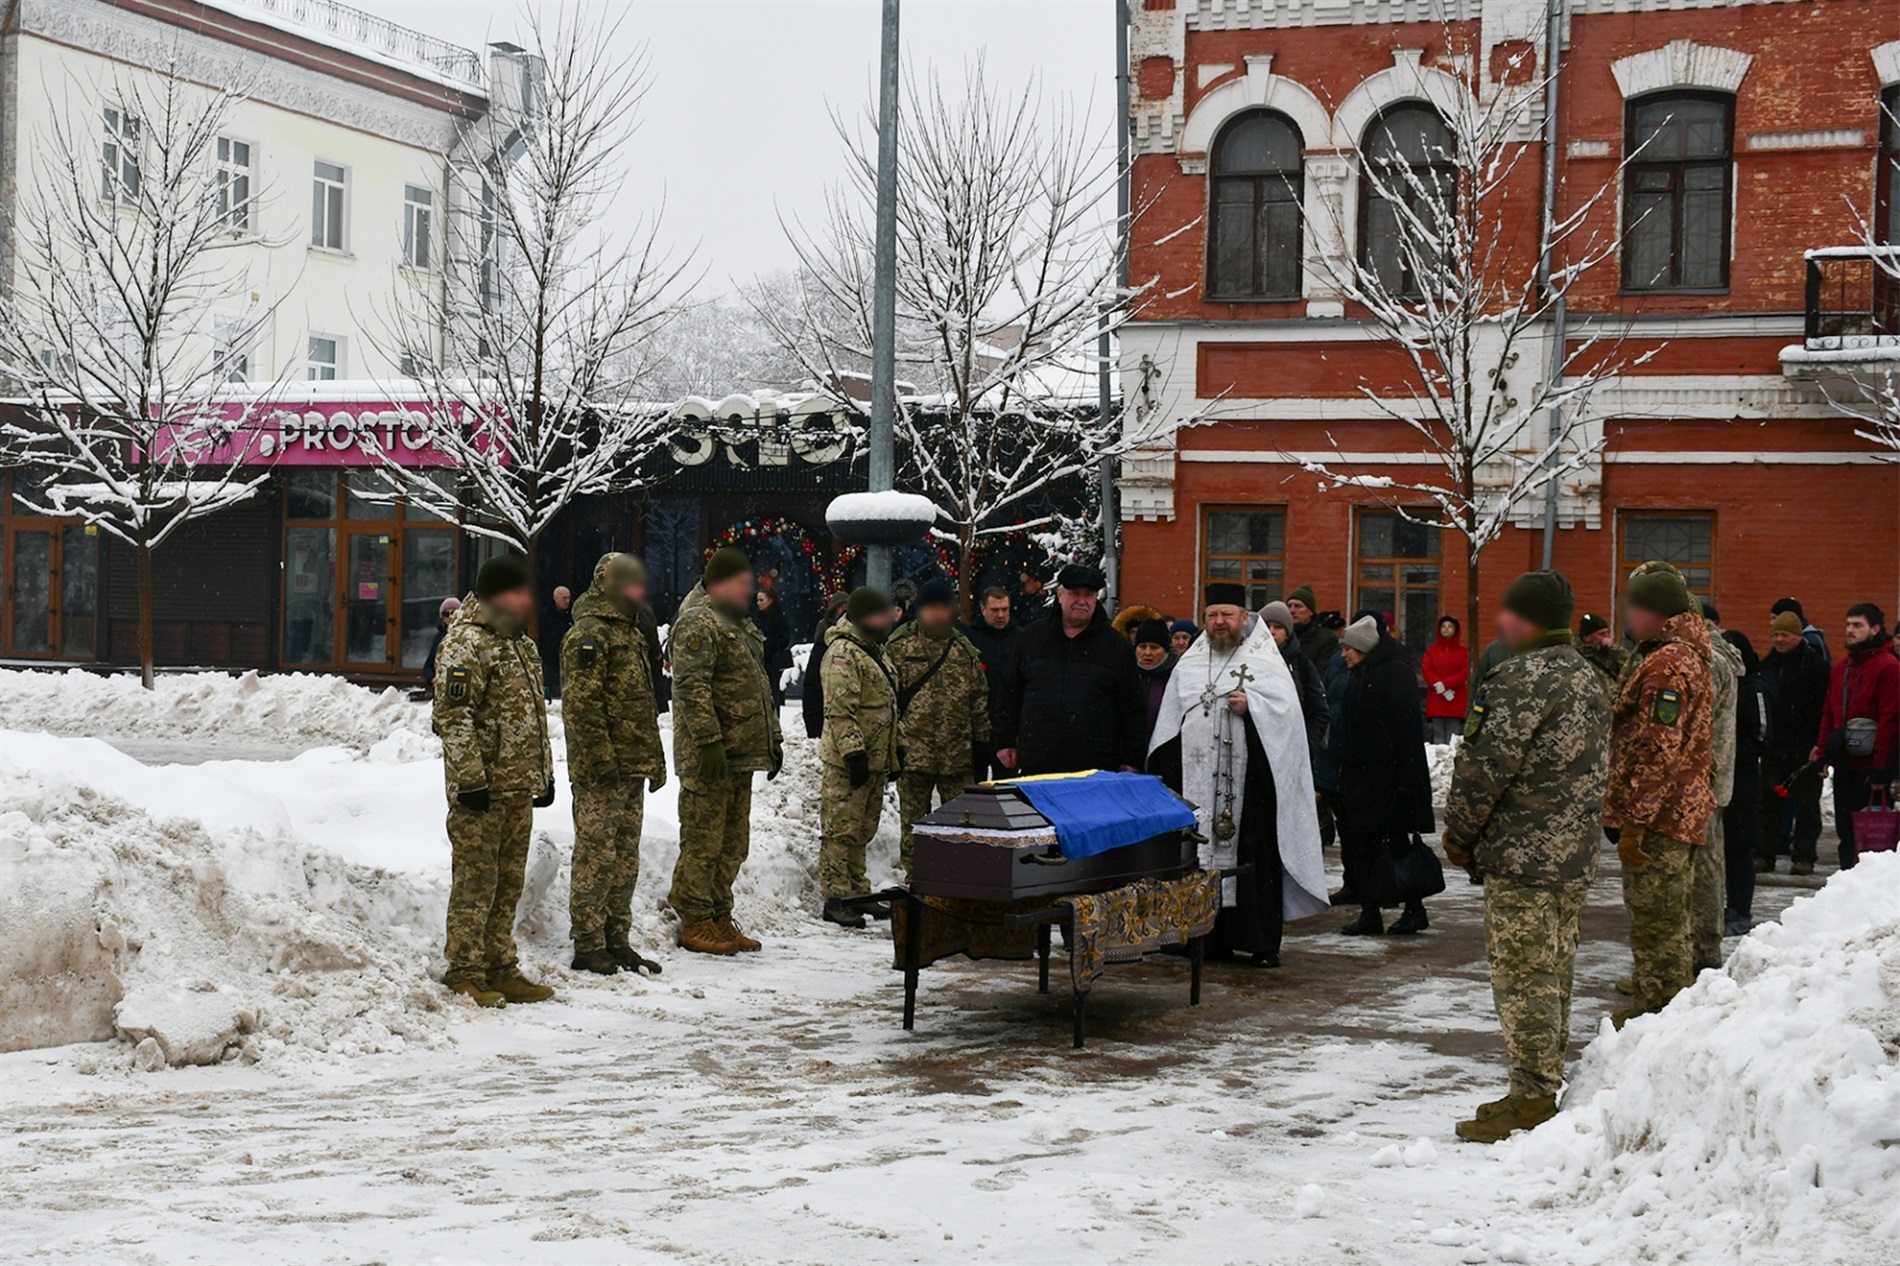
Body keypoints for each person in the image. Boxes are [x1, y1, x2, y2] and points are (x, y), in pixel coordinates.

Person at [1442, 570, 1609, 1144]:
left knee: (1524, 977)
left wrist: (1459, 834)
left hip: (1525, 854)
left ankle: (1533, 1096)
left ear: (1527, 618)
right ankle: (1537, 1083)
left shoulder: (1518, 678)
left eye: (1510, 612)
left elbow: (1485, 768)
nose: (1502, 623)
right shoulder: (1588, 675)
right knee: (1553, 969)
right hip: (1571, 855)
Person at [1147, 585, 1329, 967]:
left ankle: (1259, 941)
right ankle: (1206, 938)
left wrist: (1255, 708)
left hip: (1252, 787)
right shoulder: (1190, 663)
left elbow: (1288, 721)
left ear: (1244, 619)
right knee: (1197, 858)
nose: (1219, 622)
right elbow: (1169, 723)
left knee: (1252, 860)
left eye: (1227, 615)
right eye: (1212, 615)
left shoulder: (1265, 661)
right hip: (1197, 785)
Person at [432, 555, 557, 1008]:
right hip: (480, 790)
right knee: (476, 881)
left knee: (508, 882)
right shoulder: (466, 643)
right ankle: (464, 969)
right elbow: (453, 715)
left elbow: (529, 719)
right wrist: (470, 779)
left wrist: (541, 776)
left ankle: (500, 965)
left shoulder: (519, 643)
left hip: (515, 786)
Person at [1605, 564, 1714, 1025]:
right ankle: (1663, 1007)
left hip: (1661, 819)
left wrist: (1636, 820)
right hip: (1677, 812)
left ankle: (1659, 1015)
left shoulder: (1668, 664)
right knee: (1668, 918)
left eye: (1634, 606)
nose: (1627, 615)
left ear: (1653, 611)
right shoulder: (1684, 655)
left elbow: (1658, 749)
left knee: (1658, 923)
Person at [667, 547, 783, 955]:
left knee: (733, 841)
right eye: (742, 584)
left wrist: (773, 742)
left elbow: (758, 686)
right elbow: (690, 686)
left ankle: (718, 914)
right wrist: (709, 742)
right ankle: (696, 918)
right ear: (719, 584)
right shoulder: (700, 621)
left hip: (740, 753)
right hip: (711, 757)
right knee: (704, 839)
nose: (750, 592)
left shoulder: (736, 623)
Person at [562, 553, 667, 977]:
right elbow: (582, 707)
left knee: (624, 857)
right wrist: (602, 761)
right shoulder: (589, 635)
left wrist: (653, 761)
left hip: (630, 766)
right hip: (602, 770)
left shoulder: (631, 632)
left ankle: (616, 939)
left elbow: (643, 704)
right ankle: (588, 943)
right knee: (596, 856)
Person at [992, 564, 1144, 776]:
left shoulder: (1116, 647)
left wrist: (1131, 758)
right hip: (1038, 763)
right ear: (1060, 595)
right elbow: (1010, 693)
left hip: (1095, 768)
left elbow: (1133, 708)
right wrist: (1004, 740)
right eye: (1074, 594)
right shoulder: (1032, 638)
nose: (1082, 601)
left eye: (1089, 595)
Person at [1335, 613, 1435, 937]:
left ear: (1364, 647)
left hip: (1391, 779)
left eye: (1349, 647)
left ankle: (1414, 910)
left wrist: (1407, 783)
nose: (1344, 654)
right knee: (1362, 844)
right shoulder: (1361, 673)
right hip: (1362, 777)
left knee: (1397, 845)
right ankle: (1370, 911)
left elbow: (1407, 729)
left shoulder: (1395, 673)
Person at [888, 578, 989, 881]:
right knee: (914, 827)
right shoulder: (899, 647)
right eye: (932, 608)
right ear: (919, 610)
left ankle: (956, 882)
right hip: (914, 756)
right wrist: (891, 749)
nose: (938, 615)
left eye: (944, 608)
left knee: (961, 828)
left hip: (957, 757)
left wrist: (982, 743)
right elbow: (887, 701)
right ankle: (917, 881)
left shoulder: (964, 649)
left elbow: (978, 700)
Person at [818, 587, 901, 929]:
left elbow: (887, 706)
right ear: (865, 616)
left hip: (875, 758)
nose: (888, 620)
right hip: (850, 760)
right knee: (841, 829)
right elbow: (840, 711)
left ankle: (857, 890)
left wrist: (896, 751)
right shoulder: (843, 654)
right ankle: (837, 898)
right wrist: (854, 754)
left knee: (862, 829)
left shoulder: (873, 650)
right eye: (882, 614)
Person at [1811, 602, 1900, 870]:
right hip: (1846, 764)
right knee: (1846, 834)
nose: (1850, 630)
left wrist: (1881, 768)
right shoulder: (1843, 667)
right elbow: (1829, 711)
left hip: (1871, 766)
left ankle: (1868, 894)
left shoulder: (1888, 667)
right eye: (1848, 624)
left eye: (1857, 625)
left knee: (1871, 839)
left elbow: (1891, 720)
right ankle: (1846, 886)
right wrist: (1823, 751)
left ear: (1874, 629)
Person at [1691, 601, 1744, 973]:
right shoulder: (1720, 656)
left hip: (1702, 783)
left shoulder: (1709, 661)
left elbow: (1696, 727)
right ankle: (1703, 949)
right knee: (1709, 864)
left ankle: (1702, 953)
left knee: (1703, 870)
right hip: (1713, 781)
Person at [1758, 609, 1829, 875]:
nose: (1779, 639)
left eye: (1784, 634)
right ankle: (1764, 853)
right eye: (1775, 634)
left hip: (1805, 748)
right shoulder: (1769, 664)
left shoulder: (1816, 667)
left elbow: (1824, 709)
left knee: (1807, 806)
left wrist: (1818, 745)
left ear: (1798, 636)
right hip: (1775, 747)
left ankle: (1804, 856)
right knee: (1768, 802)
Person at [1723, 630, 1767, 937]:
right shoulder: (1725, 687)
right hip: (1724, 781)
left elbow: (1762, 736)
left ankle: (1742, 909)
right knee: (1725, 850)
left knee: (1741, 849)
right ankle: (1729, 907)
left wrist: (1730, 754)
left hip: (1744, 779)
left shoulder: (1752, 689)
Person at [962, 585, 1018, 779]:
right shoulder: (969, 639)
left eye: (1005, 609)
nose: (1001, 615)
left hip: (1008, 730)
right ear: (983, 609)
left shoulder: (1020, 638)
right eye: (995, 610)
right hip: (976, 730)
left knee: (1006, 793)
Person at [1259, 601, 1327, 760]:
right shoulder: (1244, 663)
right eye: (1265, 626)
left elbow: (1318, 712)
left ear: (1288, 633)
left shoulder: (1302, 666)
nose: (1271, 632)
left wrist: (1307, 749)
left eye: (1278, 627)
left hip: (1290, 754)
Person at [801, 591, 851, 741]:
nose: (844, 612)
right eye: (841, 607)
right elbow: (812, 681)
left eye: (847, 608)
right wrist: (813, 721)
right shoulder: (824, 633)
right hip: (827, 705)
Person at [1421, 616, 1469, 744]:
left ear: (1455, 630)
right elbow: (1427, 670)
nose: (1446, 629)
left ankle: (1452, 763)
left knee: (1453, 737)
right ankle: (1439, 762)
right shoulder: (1431, 651)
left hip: (1455, 697)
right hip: (1437, 698)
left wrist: (1445, 685)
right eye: (1443, 626)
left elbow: (1464, 673)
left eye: (1450, 626)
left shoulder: (1463, 652)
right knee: (1438, 736)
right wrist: (1439, 686)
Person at [752, 587, 794, 708]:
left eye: (761, 600)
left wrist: (767, 642)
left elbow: (784, 639)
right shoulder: (755, 617)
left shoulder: (778, 618)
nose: (758, 603)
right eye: (757, 600)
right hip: (758, 661)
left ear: (770, 600)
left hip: (772, 662)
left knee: (772, 695)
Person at [1285, 585, 1338, 667]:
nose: (1292, 611)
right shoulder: (1282, 636)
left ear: (1311, 611)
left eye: (1298, 606)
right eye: (1289, 606)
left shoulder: (1326, 638)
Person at [419, 596, 461, 695]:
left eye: (454, 612)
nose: (450, 616)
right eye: (446, 614)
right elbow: (428, 666)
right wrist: (432, 679)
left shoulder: (469, 635)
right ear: (443, 618)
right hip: (441, 693)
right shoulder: (438, 638)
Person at [1576, 612, 1627, 688]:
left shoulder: (1610, 651)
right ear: (1587, 638)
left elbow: (1630, 667)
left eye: (1607, 633)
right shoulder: (1576, 654)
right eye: (1601, 634)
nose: (1606, 636)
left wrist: (1614, 649)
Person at [1772, 595, 1830, 662]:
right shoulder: (1779, 646)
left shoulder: (1811, 641)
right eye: (1776, 635)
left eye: (1774, 618)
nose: (1771, 623)